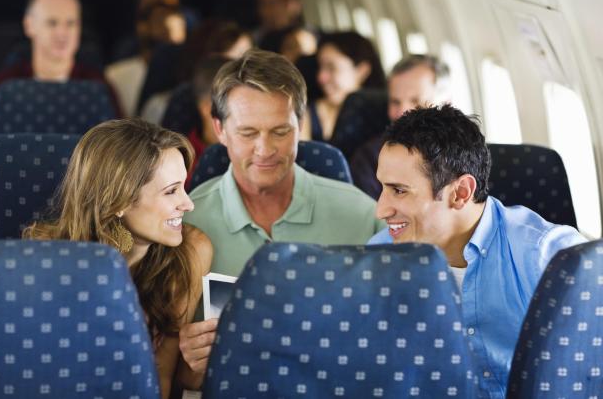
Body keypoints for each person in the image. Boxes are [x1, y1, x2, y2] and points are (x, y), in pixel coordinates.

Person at [178, 49, 384, 388]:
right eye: (247, 133)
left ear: (301, 126)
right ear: (220, 130)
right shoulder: (185, 224)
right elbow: (164, 375)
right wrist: (190, 363)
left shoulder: (362, 215)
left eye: (280, 131)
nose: (265, 149)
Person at [368, 104, 586, 398]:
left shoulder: (549, 257)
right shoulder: (380, 258)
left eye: (399, 190)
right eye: (382, 187)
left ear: (460, 193)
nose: (381, 209)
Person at [23, 118, 213, 399]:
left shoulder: (191, 250)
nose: (188, 203)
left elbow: (160, 376)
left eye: (183, 186)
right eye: (171, 191)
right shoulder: (45, 255)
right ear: (120, 201)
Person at [0, 0, 119, 112]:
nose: (62, 33)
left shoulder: (100, 90)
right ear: (29, 25)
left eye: (71, 23)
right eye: (52, 23)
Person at [350, 54, 450, 199]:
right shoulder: (369, 158)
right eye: (395, 102)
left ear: (446, 103)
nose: (403, 113)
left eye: (416, 101)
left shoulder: (467, 156)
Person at [301, 31, 385, 142]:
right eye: (320, 67)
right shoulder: (307, 114)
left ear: (361, 70)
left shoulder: (384, 115)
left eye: (332, 68)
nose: (321, 78)